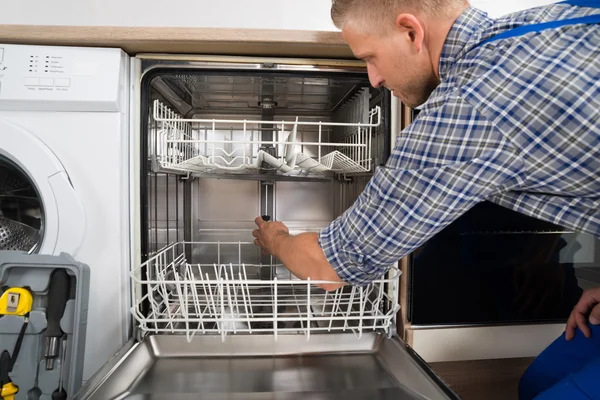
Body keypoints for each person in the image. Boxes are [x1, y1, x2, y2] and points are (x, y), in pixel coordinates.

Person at [252, 0, 600, 397]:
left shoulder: (469, 104)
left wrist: (275, 237)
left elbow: (328, 267)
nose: (375, 79)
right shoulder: (557, 17)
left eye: (370, 57)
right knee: (537, 383)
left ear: (411, 32)